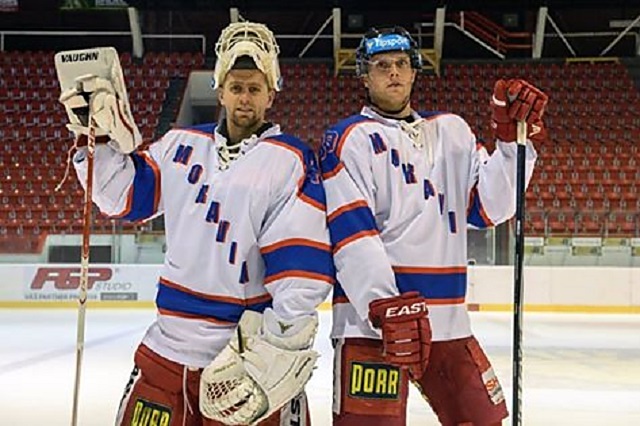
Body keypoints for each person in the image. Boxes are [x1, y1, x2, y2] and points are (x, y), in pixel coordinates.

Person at [61, 21, 333, 425]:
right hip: (166, 351)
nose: (244, 98)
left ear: (271, 95)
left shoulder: (290, 159)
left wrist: (276, 349)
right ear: (220, 91)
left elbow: (301, 268)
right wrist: (96, 138)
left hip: (242, 359)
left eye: (254, 88)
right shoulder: (180, 144)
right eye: (236, 87)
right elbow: (122, 196)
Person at [319, 26, 547, 426]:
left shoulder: (452, 131)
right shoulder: (347, 139)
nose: (393, 72)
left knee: (482, 421)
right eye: (382, 65)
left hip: (448, 323)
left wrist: (512, 144)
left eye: (401, 63)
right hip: (372, 327)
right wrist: (383, 305)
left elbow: (490, 208)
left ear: (414, 72)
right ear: (365, 76)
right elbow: (351, 233)